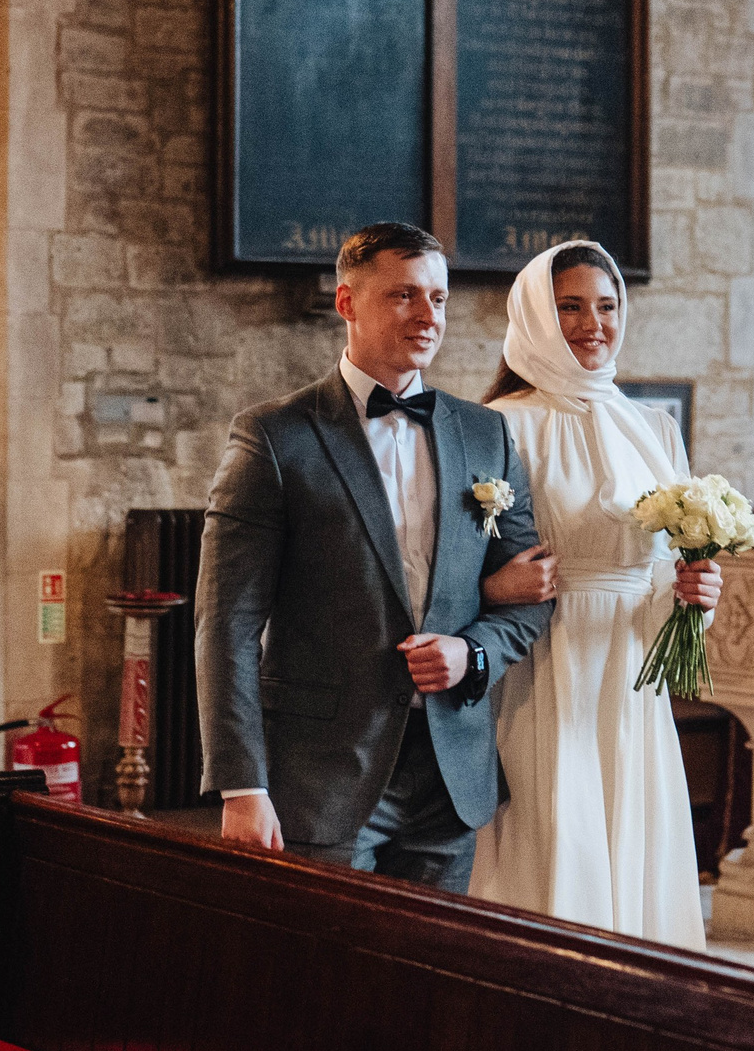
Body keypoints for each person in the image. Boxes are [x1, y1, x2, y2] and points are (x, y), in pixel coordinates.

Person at [196, 221, 551, 889]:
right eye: (404, 296)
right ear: (347, 303)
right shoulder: (274, 437)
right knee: (326, 980)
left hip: (451, 774)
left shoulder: (486, 434)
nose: (427, 316)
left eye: (438, 299)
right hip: (322, 774)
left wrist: (471, 652)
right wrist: (241, 785)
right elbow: (226, 624)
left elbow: (534, 592)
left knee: (428, 983)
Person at [467, 241, 721, 948]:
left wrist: (695, 593)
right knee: (554, 841)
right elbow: (453, 567)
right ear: (537, 314)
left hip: (632, 677)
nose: (592, 323)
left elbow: (663, 569)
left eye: (606, 306)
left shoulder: (654, 429)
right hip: (543, 665)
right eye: (570, 306)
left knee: (633, 842)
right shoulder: (503, 424)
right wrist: (495, 583)